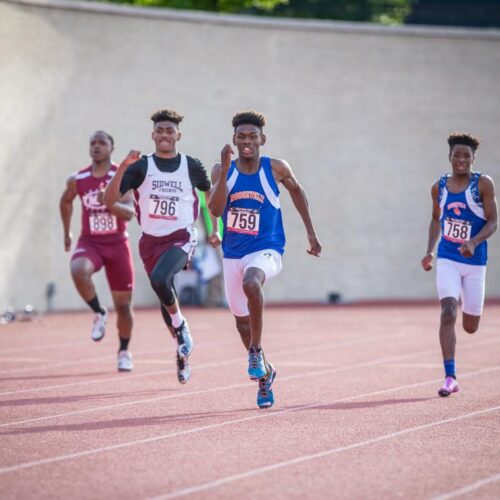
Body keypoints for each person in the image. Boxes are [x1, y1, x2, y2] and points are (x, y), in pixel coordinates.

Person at [209, 110, 322, 408]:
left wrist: (310, 232)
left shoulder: (275, 168)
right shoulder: (222, 170)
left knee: (252, 282)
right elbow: (216, 210)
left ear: (262, 139)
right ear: (233, 138)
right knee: (240, 321)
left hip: (268, 248)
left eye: (252, 137)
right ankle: (265, 376)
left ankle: (256, 350)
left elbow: (298, 193)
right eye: (241, 136)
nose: (247, 141)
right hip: (233, 253)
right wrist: (222, 167)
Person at [103, 108, 218, 384]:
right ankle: (182, 351)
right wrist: (121, 167)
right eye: (160, 130)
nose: (165, 135)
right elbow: (108, 200)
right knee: (165, 292)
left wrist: (214, 230)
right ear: (153, 134)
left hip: (181, 237)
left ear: (178, 134)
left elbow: (209, 198)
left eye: (170, 130)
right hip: (149, 242)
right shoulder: (140, 166)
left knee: (160, 279)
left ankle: (182, 328)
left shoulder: (191, 165)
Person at [421, 132, 497, 397]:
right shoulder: (439, 186)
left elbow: (493, 221)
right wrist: (430, 251)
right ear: (450, 157)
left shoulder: (483, 184)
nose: (461, 160)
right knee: (448, 312)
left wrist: (474, 242)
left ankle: (470, 312)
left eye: (466, 155)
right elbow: (434, 219)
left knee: (470, 326)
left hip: (475, 262)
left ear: (473, 158)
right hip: (448, 258)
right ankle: (450, 377)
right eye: (457, 155)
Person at [59, 131, 135, 371]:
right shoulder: (78, 178)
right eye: (93, 142)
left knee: (123, 307)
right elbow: (65, 201)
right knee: (78, 269)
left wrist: (109, 202)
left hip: (117, 245)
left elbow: (130, 214)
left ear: (112, 148)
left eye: (102, 143)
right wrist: (66, 232)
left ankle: (124, 351)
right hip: (90, 242)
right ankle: (99, 312)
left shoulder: (121, 176)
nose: (97, 146)